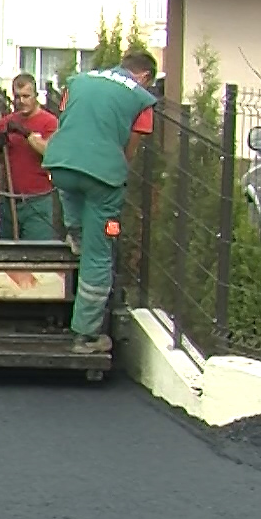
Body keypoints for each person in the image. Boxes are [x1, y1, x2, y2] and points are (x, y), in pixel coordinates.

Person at [41, 50, 159, 353]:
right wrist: (118, 170)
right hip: (102, 176)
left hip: (59, 163)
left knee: (70, 190)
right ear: (144, 76)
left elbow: (66, 119)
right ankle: (86, 335)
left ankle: (76, 231)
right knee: (99, 256)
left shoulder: (79, 80)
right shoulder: (141, 98)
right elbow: (130, 149)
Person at [0, 73, 60, 240]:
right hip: (10, 201)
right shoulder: (6, 122)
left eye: (26, 96)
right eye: (17, 97)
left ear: (36, 96)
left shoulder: (49, 122)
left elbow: (50, 152)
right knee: (7, 255)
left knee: (36, 254)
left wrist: (27, 133)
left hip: (37, 201)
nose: (21, 101)